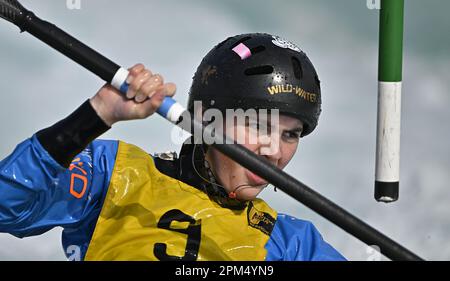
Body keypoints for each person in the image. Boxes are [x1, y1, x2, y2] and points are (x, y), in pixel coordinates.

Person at [0, 33, 346, 261]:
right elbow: (6, 208)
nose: (275, 150)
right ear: (206, 119)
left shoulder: (293, 243)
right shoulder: (114, 174)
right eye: (258, 125)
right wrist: (96, 115)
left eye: (291, 134)